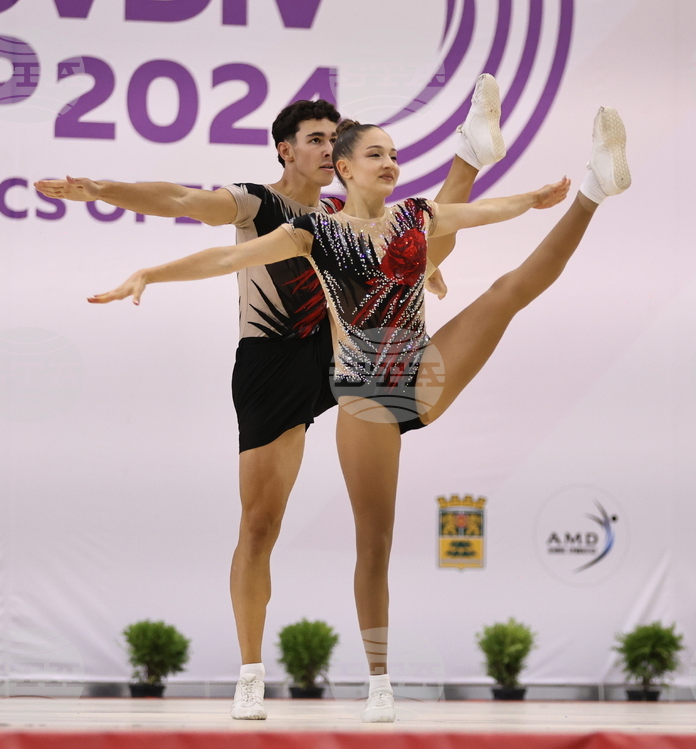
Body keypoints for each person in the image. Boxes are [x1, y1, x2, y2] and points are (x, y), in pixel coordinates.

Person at [89, 106, 630, 722]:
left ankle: (595, 189)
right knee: (373, 542)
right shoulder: (312, 230)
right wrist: (149, 274)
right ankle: (376, 683)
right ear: (342, 168)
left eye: (395, 155)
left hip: (416, 370)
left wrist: (536, 199)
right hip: (366, 388)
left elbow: (480, 213)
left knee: (509, 293)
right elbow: (224, 260)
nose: (391, 163)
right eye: (376, 154)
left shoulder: (417, 216)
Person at [35, 77, 507, 720]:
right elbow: (178, 197)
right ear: (285, 151)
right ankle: (251, 671)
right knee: (260, 524)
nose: (325, 148)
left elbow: (406, 246)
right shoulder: (258, 204)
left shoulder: (352, 214)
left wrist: (421, 264)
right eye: (313, 140)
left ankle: (471, 154)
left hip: (344, 351)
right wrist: (100, 190)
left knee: (429, 243)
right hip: (274, 362)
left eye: (333, 140)